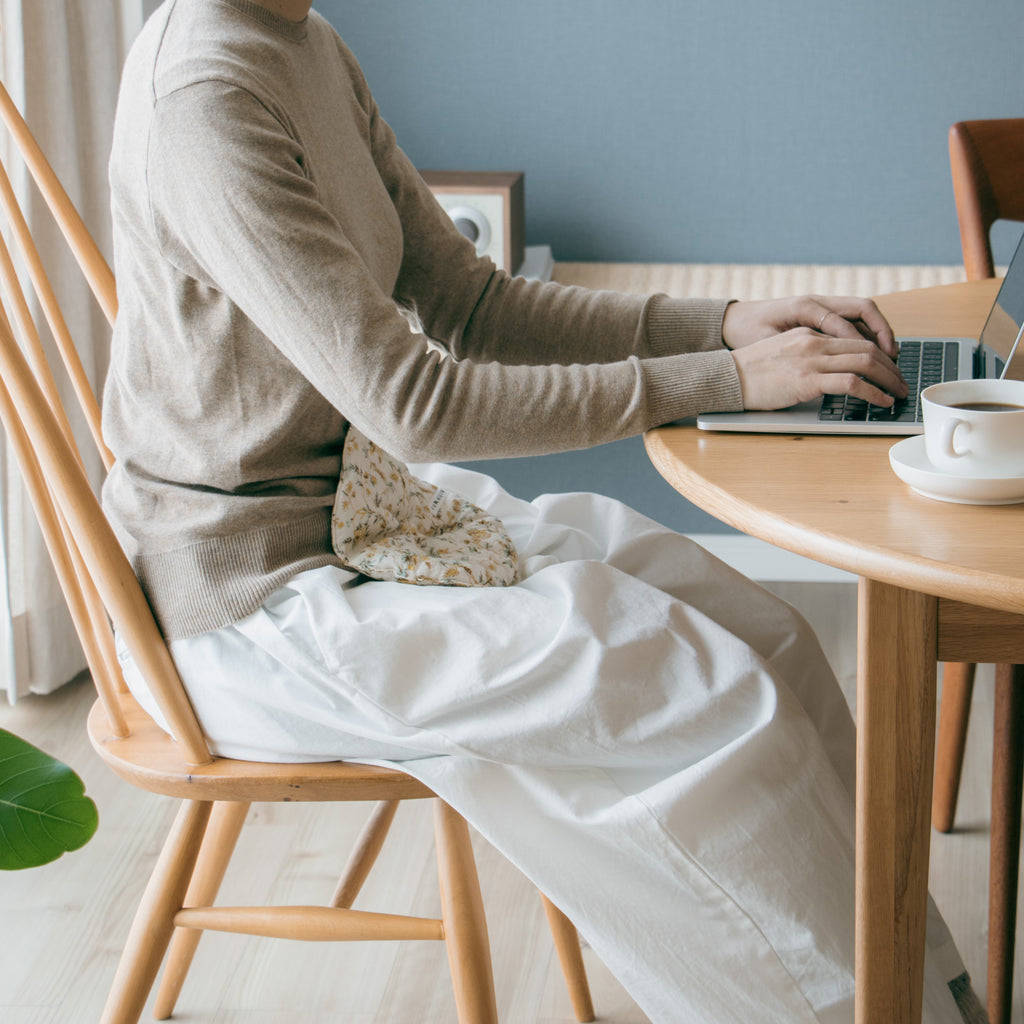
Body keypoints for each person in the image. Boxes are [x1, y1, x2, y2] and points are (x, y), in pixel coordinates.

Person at [104, 1, 985, 1021]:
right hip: (258, 598)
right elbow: (416, 403)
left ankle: (919, 989)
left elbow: (471, 303)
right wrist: (729, 379)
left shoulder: (304, 36)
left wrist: (726, 325)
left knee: (769, 635)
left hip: (365, 513)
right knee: (701, 693)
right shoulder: (206, 102)